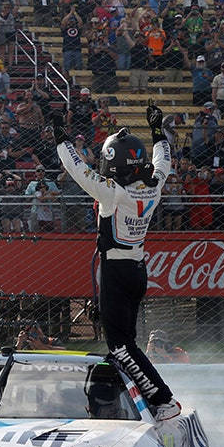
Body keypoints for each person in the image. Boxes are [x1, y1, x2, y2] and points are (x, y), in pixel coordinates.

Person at [49, 104, 182, 421]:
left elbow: (77, 170)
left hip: (116, 272)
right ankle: (138, 401)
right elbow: (163, 159)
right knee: (125, 345)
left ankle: (163, 400)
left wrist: (59, 135)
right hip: (137, 269)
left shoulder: (112, 193)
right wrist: (156, 131)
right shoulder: (156, 185)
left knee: (121, 347)